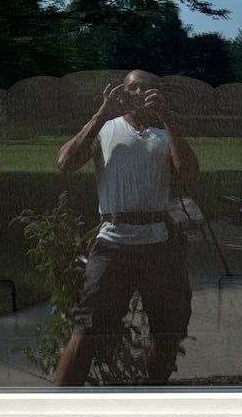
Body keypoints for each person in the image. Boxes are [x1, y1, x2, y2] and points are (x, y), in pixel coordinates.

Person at [52, 69, 198, 387]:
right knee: (86, 328)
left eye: (149, 89)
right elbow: (65, 163)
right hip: (112, 244)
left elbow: (188, 171)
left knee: (167, 331)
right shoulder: (105, 129)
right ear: (121, 92)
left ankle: (153, 395)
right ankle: (57, 409)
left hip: (158, 243)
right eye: (134, 88)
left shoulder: (164, 134)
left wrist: (169, 118)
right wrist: (101, 113)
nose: (140, 94)